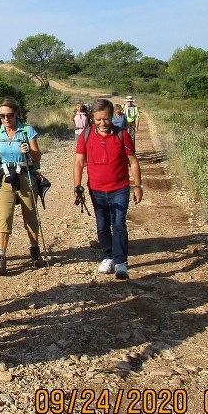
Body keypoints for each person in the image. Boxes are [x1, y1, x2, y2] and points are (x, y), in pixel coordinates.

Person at [73, 97, 143, 281]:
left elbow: (133, 162)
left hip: (120, 188)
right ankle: (107, 256)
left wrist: (137, 186)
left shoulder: (122, 134)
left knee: (118, 224)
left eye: (106, 119)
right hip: (96, 189)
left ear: (111, 116)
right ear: (92, 118)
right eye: (98, 120)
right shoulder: (85, 136)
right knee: (102, 225)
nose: (102, 123)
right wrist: (77, 185)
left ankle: (121, 262)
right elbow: (79, 162)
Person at [0, 97, 45, 275]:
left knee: (30, 215)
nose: (6, 119)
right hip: (6, 177)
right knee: (4, 216)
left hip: (25, 175)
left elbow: (38, 156)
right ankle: (1, 257)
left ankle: (35, 250)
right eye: (2, 116)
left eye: (10, 115)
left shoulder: (27, 131)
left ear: (17, 114)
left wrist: (28, 151)